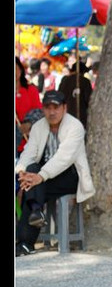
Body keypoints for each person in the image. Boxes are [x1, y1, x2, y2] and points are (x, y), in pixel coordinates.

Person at [15, 90, 95, 257]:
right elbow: (29, 153)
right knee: (30, 174)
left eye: (56, 107)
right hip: (43, 178)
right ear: (43, 109)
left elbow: (63, 158)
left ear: (64, 108)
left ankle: (25, 241)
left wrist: (39, 177)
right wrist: (22, 172)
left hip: (69, 176)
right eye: (47, 107)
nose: (52, 112)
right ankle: (35, 214)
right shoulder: (38, 126)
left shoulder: (75, 126)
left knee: (33, 184)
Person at [15, 56, 43, 155]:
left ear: (21, 70)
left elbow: (39, 111)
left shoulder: (31, 89)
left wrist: (29, 124)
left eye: (16, 68)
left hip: (28, 142)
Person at [58, 59, 93, 128]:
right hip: (80, 116)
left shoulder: (64, 81)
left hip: (65, 115)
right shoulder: (85, 82)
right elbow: (88, 99)